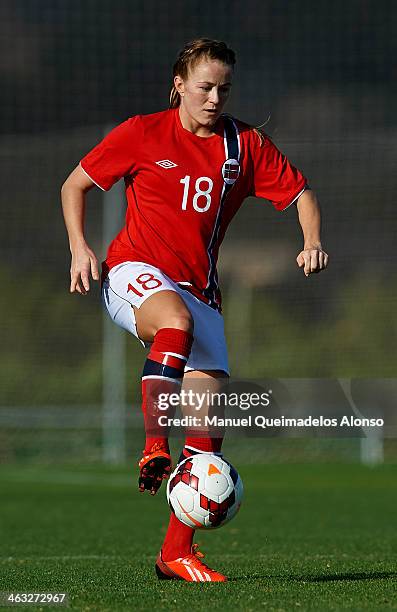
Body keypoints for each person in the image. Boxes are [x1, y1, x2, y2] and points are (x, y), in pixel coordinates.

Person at [61, 38, 328, 582]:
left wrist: (311, 240)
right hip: (134, 272)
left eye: (223, 89)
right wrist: (79, 247)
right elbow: (76, 183)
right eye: (204, 87)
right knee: (174, 323)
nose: (214, 98)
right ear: (179, 85)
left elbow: (300, 192)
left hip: (200, 290)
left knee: (209, 430)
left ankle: (174, 553)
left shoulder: (243, 145)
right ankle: (154, 445)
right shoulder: (142, 132)